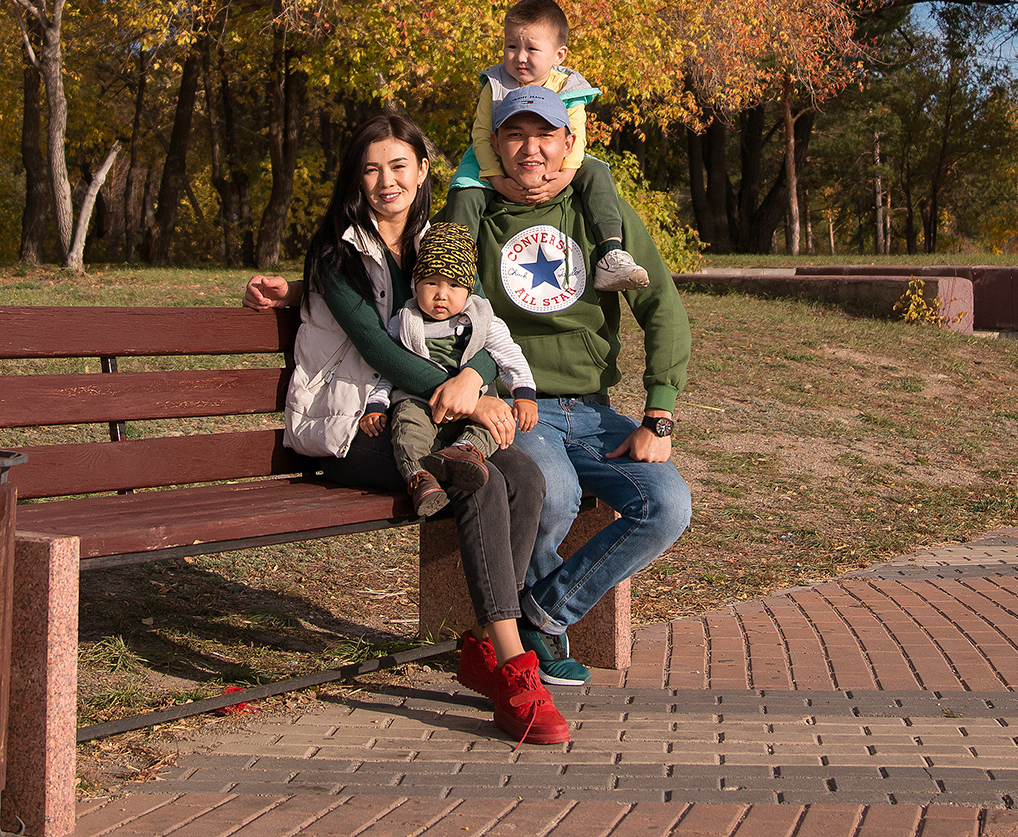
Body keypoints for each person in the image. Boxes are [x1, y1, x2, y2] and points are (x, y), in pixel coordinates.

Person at [243, 112, 568, 745]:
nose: (386, 181)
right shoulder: (338, 252)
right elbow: (380, 350)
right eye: (371, 169)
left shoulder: (433, 241)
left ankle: (479, 645)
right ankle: (513, 667)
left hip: (429, 420)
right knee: (475, 479)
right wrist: (471, 401)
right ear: (356, 179)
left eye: (399, 166)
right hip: (355, 428)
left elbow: (477, 319)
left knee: (524, 476)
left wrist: (474, 376)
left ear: (423, 171)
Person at [458, 83, 693, 688]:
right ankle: (543, 635)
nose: (530, 149)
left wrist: (658, 414)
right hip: (519, 405)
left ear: (569, 141)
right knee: (553, 496)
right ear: (496, 144)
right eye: (515, 134)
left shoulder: (598, 210)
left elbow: (662, 306)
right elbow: (419, 283)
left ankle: (542, 613)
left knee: (667, 504)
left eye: (544, 134)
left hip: (593, 412)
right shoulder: (475, 209)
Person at [443, 0, 649, 290]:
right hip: (493, 152)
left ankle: (610, 253)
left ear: (559, 55)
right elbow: (480, 134)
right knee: (465, 189)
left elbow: (576, 138)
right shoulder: (495, 83)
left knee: (597, 173)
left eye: (531, 49)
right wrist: (496, 178)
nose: (520, 57)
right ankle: (455, 267)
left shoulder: (570, 87)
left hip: (559, 159)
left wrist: (564, 176)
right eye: (511, 46)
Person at [359, 221, 538, 518]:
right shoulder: (404, 321)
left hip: (472, 402)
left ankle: (467, 451)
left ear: (468, 289)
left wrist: (524, 394)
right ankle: (420, 479)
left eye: (453, 285)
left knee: (495, 421)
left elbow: (509, 356)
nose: (441, 294)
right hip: (418, 401)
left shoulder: (483, 319)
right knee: (406, 427)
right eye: (431, 283)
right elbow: (387, 368)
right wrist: (376, 404)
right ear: (416, 283)